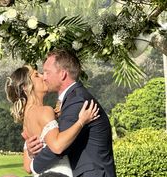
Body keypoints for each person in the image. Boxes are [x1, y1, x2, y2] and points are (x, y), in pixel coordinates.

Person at [26, 49, 117, 177]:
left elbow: (59, 147)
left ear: (63, 74)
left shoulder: (77, 101)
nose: (44, 77)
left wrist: (33, 165)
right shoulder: (72, 98)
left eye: (47, 72)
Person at [5, 65, 99, 177]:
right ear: (25, 86)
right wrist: (82, 121)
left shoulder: (26, 120)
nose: (43, 77)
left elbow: (27, 167)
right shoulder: (45, 111)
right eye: (36, 75)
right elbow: (57, 146)